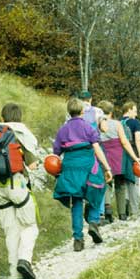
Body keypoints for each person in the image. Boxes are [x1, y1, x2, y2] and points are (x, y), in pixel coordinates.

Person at [0, 103, 40, 279]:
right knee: (30, 226)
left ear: (2, 118)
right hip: (16, 185)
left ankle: (15, 277)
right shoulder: (20, 132)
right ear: (19, 117)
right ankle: (24, 260)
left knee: (11, 231)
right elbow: (32, 165)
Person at [53, 97, 113, 251]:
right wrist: (107, 168)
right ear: (82, 111)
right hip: (89, 166)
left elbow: (56, 154)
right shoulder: (88, 127)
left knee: (77, 201)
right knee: (96, 192)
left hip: (70, 168)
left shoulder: (62, 130)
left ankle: (78, 239)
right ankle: (93, 222)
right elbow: (97, 149)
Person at [97, 100, 140, 222]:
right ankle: (122, 214)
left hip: (104, 154)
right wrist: (134, 157)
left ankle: (108, 208)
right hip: (118, 155)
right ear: (111, 111)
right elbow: (124, 142)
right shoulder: (117, 124)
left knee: (107, 183)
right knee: (120, 185)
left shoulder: (97, 124)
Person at [120, 101, 140, 216]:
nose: (136, 113)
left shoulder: (118, 122)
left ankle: (123, 210)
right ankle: (134, 211)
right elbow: (138, 139)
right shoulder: (135, 123)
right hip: (132, 154)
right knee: (133, 182)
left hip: (119, 156)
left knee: (122, 183)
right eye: (135, 110)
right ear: (129, 109)